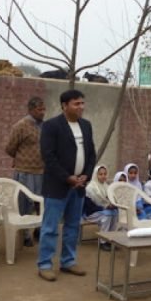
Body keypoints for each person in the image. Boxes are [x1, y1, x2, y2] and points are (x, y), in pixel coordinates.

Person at [37, 90, 96, 282]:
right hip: (57, 186)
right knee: (50, 227)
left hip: (79, 186)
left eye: (82, 103)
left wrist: (86, 175)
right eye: (76, 104)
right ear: (64, 105)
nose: (81, 107)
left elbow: (91, 154)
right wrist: (67, 177)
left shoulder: (86, 126)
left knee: (73, 226)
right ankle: (45, 264)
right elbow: (48, 157)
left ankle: (68, 261)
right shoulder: (51, 126)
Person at [5, 96, 46, 247]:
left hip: (42, 171)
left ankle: (39, 230)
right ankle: (25, 234)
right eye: (39, 109)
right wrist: (22, 158)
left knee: (40, 202)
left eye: (44, 109)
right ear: (30, 110)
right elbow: (10, 148)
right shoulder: (20, 126)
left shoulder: (45, 126)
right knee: (25, 203)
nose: (42, 112)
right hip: (25, 171)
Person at [84, 165, 118, 251]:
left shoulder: (106, 187)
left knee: (115, 214)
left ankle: (110, 239)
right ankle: (103, 242)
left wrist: (111, 205)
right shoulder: (90, 188)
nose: (103, 176)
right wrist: (104, 207)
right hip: (91, 213)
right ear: (96, 175)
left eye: (105, 174)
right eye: (100, 174)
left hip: (103, 211)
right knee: (107, 216)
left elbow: (110, 200)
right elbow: (89, 207)